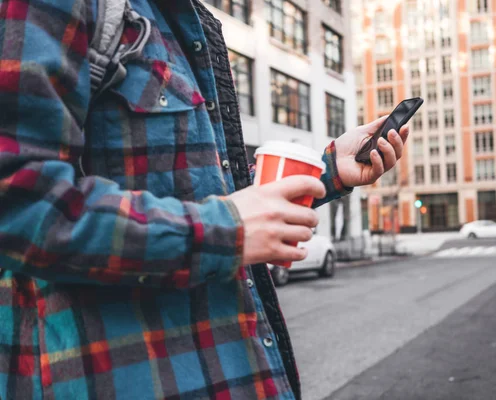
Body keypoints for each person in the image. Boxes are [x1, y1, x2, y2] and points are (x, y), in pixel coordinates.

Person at [0, 1, 409, 398]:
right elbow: (20, 203)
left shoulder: (189, 24)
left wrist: (331, 169)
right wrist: (226, 231)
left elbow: (212, 196)